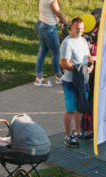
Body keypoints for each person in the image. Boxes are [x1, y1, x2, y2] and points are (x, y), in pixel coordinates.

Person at [59, 17, 90, 147]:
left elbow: (88, 57)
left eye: (81, 28)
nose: (80, 31)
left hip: (83, 80)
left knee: (81, 107)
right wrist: (81, 68)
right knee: (71, 110)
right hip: (70, 82)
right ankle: (68, 135)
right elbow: (64, 64)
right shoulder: (67, 43)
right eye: (77, 28)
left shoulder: (83, 40)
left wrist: (90, 66)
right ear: (71, 27)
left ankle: (78, 131)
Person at [34, 0, 66, 86]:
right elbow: (58, 12)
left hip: (41, 23)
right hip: (49, 28)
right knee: (56, 52)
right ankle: (59, 77)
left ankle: (39, 78)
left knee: (42, 52)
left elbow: (47, 9)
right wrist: (66, 22)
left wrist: (56, 19)